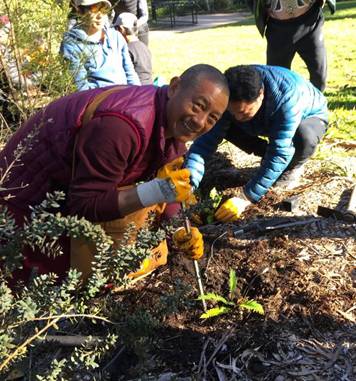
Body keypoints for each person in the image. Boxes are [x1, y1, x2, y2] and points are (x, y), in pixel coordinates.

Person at [0, 64, 229, 283]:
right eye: (198, 105)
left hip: (65, 193)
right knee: (35, 290)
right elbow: (85, 204)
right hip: (22, 200)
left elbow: (168, 182)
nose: (200, 121)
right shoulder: (122, 127)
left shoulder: (170, 125)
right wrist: (157, 191)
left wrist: (179, 227)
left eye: (212, 118)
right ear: (175, 87)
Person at [186, 64, 328, 222]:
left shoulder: (287, 99)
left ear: (260, 94)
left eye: (242, 112)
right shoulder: (228, 96)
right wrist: (189, 183)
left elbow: (280, 153)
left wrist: (246, 197)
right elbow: (204, 143)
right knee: (223, 124)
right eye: (232, 112)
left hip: (308, 117)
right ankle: (265, 154)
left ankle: (293, 167)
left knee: (304, 138)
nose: (238, 117)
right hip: (262, 120)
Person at [248, 0, 336, 91]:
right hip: (277, 28)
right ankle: (283, 104)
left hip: (310, 22)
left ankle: (316, 102)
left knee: (319, 76)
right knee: (276, 79)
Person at [60, 0, 140, 91]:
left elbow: (130, 74)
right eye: (94, 9)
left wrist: (138, 95)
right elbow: (81, 88)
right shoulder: (71, 44)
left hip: (126, 97)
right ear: (80, 11)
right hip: (99, 101)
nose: (100, 16)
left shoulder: (116, 37)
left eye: (104, 10)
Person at [114, 12, 152, 85]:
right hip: (149, 88)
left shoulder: (125, 50)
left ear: (121, 29)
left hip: (135, 91)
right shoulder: (144, 46)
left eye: (116, 28)